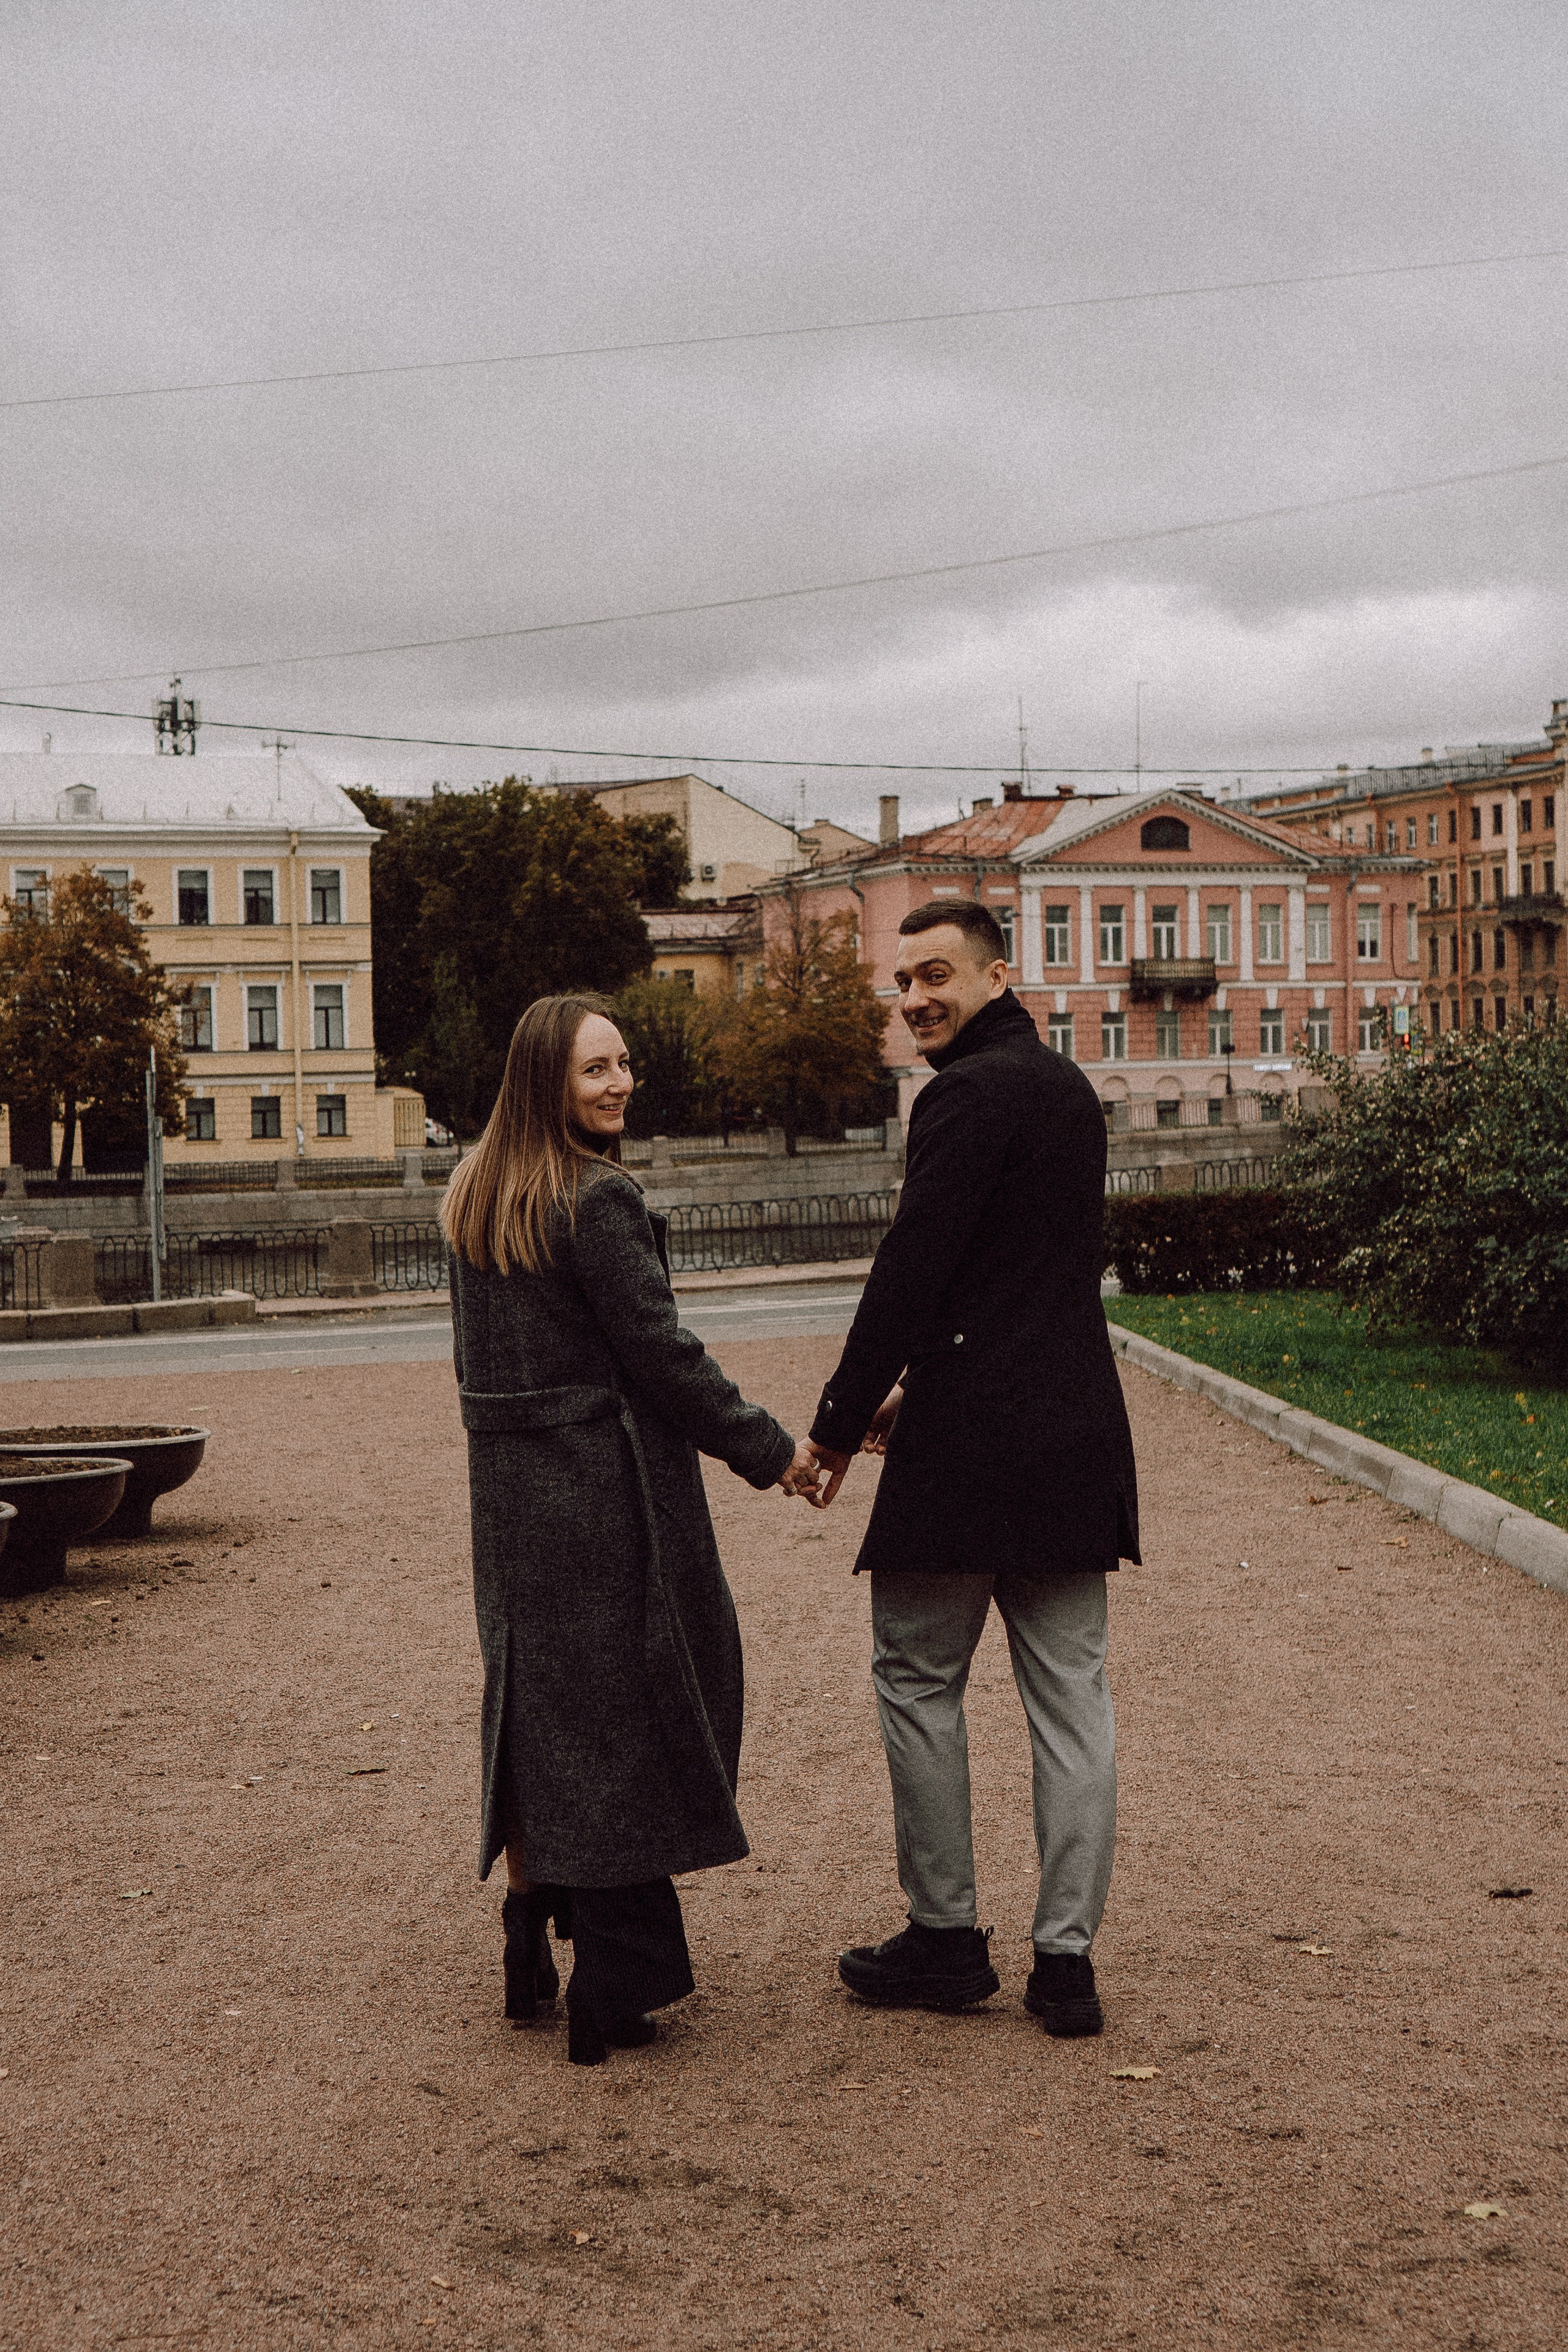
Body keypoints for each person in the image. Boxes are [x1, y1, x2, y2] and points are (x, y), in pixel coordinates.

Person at [442, 992, 822, 2067]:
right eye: (596, 1070)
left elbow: (479, 1361)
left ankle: (529, 1935)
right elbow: (664, 1356)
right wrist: (773, 1452)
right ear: (545, 1082)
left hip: (512, 1493)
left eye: (624, 1066)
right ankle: (615, 1984)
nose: (620, 1085)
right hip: (605, 1494)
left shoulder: (476, 1191)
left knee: (537, 1704)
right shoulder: (596, 1197)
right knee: (632, 1709)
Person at [805, 902, 1139, 2036]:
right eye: (902, 983)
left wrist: (840, 1424)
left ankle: (946, 1941)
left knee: (917, 1681)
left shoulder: (960, 1097)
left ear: (998, 974)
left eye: (935, 975)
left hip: (966, 1450)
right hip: (1073, 1435)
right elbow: (1022, 1279)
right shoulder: (1068, 1093)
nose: (914, 1000)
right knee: (1073, 1704)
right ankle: (1068, 1966)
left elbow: (915, 1269)